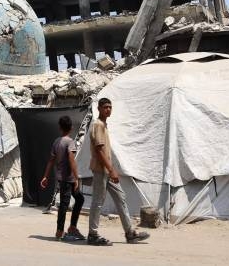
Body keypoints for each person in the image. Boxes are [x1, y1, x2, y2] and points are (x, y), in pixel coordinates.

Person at [87, 97, 149, 246]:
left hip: (106, 171)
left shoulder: (104, 125)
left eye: (110, 107)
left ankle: (130, 233)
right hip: (101, 170)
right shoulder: (98, 125)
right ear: (99, 109)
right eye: (105, 107)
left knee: (120, 197)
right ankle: (92, 234)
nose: (108, 110)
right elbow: (99, 150)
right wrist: (111, 169)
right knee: (97, 202)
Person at [40, 115, 85, 241]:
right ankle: (60, 231)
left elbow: (51, 161)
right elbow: (72, 160)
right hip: (69, 179)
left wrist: (45, 176)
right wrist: (76, 178)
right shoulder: (70, 142)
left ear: (60, 127)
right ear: (71, 128)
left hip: (62, 178)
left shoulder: (56, 142)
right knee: (65, 205)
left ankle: (71, 228)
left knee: (79, 199)